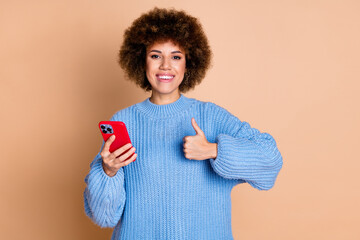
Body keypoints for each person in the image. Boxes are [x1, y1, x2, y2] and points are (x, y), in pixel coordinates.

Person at [83, 7, 283, 240]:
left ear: (188, 64)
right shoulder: (122, 122)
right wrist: (109, 171)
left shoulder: (210, 116)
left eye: (176, 57)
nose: (165, 65)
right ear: (142, 61)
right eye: (155, 55)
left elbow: (271, 160)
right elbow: (103, 217)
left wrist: (214, 150)